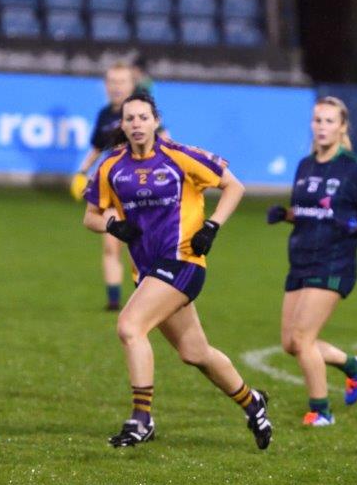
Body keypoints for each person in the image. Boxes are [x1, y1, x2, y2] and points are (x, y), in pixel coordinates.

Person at [82, 91, 272, 450]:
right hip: (148, 273)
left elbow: (234, 186)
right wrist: (112, 226)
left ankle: (141, 418)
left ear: (156, 121)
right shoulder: (111, 166)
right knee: (194, 353)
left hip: (183, 262)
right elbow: (89, 216)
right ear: (122, 125)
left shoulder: (179, 156)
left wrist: (212, 226)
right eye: (130, 119)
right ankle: (253, 403)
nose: (137, 124)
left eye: (143, 117)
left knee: (129, 326)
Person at [266, 96, 357, 426]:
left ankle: (321, 411)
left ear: (342, 127)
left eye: (328, 121)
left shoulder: (353, 166)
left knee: (303, 339)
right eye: (317, 120)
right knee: (289, 343)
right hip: (301, 260)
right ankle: (353, 366)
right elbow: (312, 212)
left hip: (334, 262)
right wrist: (286, 214)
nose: (321, 127)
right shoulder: (305, 165)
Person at [70, 62, 135, 310]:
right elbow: (98, 146)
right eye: (112, 82)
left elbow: (163, 140)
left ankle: (145, 292)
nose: (116, 87)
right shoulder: (105, 114)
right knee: (111, 241)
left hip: (138, 188)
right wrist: (82, 170)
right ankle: (113, 301)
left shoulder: (138, 113)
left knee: (138, 246)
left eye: (121, 82)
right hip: (111, 186)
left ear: (131, 85)